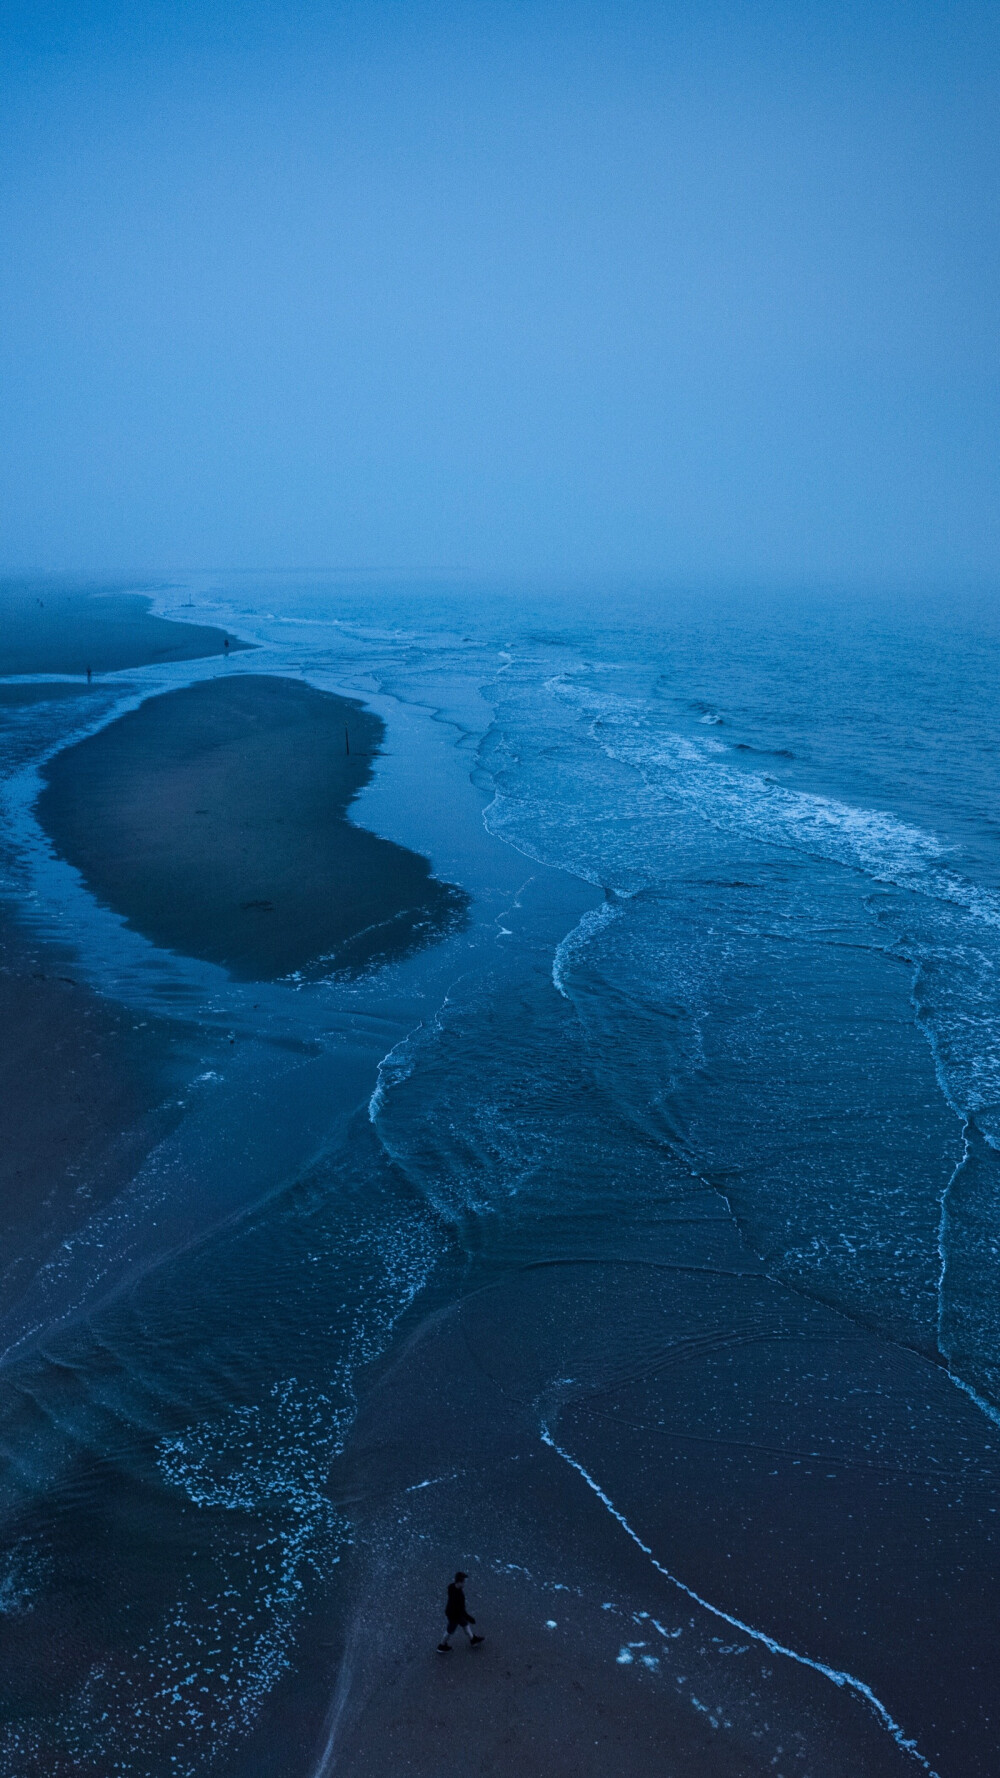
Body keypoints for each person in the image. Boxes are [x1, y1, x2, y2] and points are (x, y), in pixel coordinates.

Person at [437, 1571, 484, 1652]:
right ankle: (441, 1646)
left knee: (465, 1624)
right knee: (450, 1631)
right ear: (459, 1582)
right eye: (464, 1582)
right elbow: (462, 1610)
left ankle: (472, 1639)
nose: (465, 1584)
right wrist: (470, 1618)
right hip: (454, 1616)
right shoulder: (459, 1596)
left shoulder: (451, 1587)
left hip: (452, 1612)